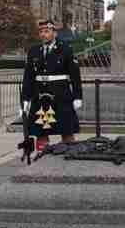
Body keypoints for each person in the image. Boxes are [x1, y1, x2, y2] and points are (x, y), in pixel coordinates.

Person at [22, 20, 83, 151]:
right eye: (41, 32)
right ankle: (42, 155)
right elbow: (28, 78)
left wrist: (78, 96)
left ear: (54, 33)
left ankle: (69, 152)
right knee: (41, 130)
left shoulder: (65, 49)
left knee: (66, 129)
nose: (43, 34)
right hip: (41, 96)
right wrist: (25, 99)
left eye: (46, 31)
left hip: (61, 95)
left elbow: (75, 76)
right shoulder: (34, 51)